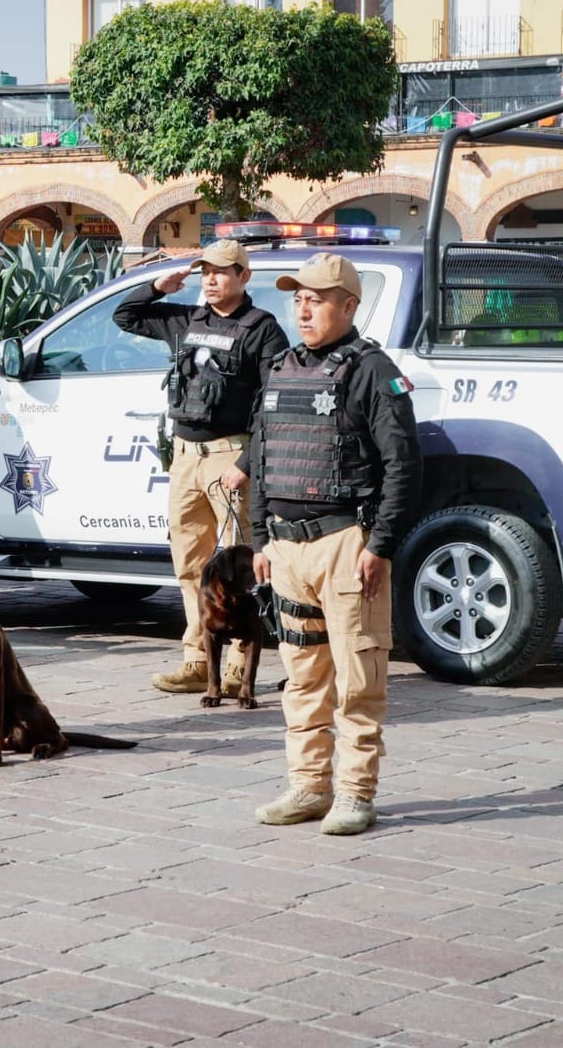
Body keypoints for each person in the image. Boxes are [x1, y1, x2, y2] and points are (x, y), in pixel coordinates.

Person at [249, 253, 421, 836]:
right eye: (298, 296)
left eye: (317, 298)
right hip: (288, 550)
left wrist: (381, 546)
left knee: (358, 678)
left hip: (348, 545)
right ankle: (308, 786)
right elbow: (262, 457)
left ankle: (355, 794)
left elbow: (404, 465)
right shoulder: (279, 367)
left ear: (349, 306)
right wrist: (259, 539)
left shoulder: (373, 371)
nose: (303, 306)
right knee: (302, 679)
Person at [113, 239, 289, 696]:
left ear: (243, 277)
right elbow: (125, 316)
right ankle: (198, 657)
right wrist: (157, 285)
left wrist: (249, 464)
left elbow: (273, 405)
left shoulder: (262, 329)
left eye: (222, 271)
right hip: (186, 457)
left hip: (232, 456)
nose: (211, 279)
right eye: (205, 271)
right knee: (191, 565)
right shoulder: (187, 320)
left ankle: (236, 668)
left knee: (240, 570)